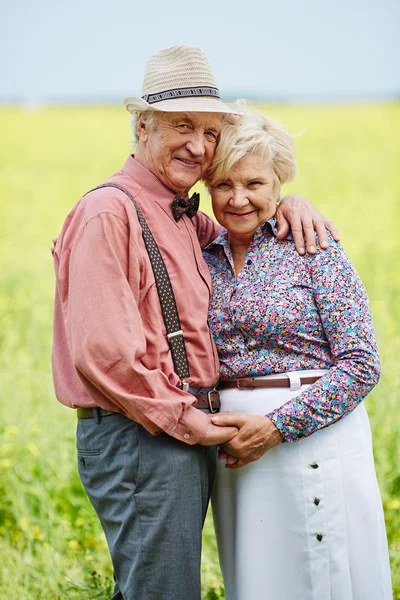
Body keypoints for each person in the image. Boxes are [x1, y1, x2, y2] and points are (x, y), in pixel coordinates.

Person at [52, 46, 339, 600]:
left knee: (159, 586)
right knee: (163, 591)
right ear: (142, 125)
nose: (199, 146)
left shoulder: (186, 215)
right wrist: (189, 422)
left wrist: (291, 203)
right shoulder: (109, 212)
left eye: (210, 132)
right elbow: (104, 354)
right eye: (182, 125)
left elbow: (244, 220)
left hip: (176, 432)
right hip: (141, 433)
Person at [203, 109, 392, 600]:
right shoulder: (198, 252)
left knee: (325, 578)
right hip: (236, 456)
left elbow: (361, 363)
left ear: (279, 181)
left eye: (255, 183)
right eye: (223, 184)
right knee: (257, 580)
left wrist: (278, 427)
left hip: (312, 440)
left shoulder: (314, 245)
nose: (239, 198)